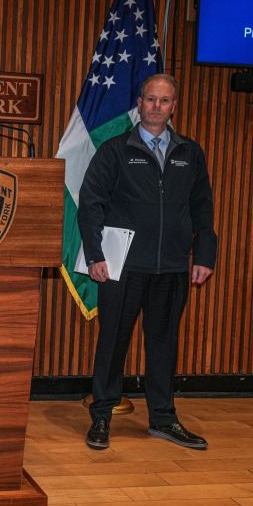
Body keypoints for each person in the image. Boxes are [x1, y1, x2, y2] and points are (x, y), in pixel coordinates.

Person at [77, 73, 217, 451]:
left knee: (164, 344)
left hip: (172, 266)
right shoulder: (115, 149)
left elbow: (202, 208)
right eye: (151, 99)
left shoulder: (190, 152)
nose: (157, 106)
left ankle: (164, 419)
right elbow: (90, 204)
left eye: (165, 100)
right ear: (139, 103)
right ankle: (102, 416)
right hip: (123, 266)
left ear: (174, 106)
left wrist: (204, 255)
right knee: (112, 343)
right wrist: (95, 255)